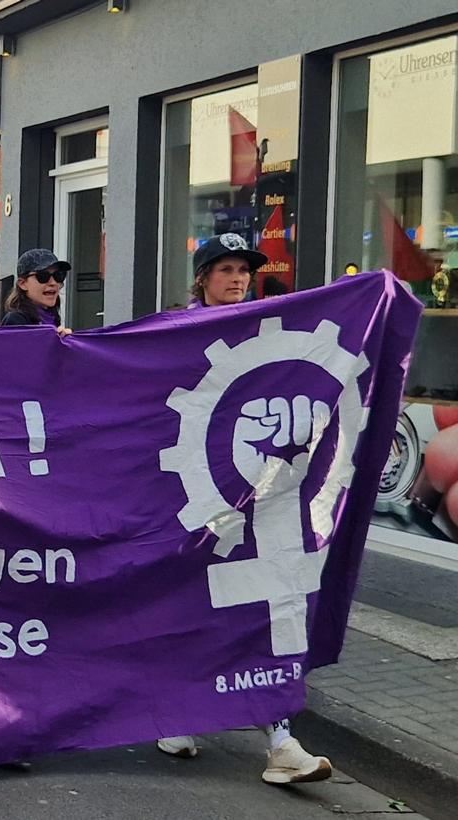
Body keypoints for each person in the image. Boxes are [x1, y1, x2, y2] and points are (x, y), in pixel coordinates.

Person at [157, 232, 332, 785]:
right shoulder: (178, 331)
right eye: (226, 269)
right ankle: (181, 713)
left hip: (261, 501)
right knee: (195, 610)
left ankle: (281, 741)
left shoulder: (266, 330)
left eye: (244, 271)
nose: (237, 279)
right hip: (197, 499)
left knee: (264, 615)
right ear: (203, 277)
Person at [1, 249, 71, 328]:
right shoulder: (16, 320)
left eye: (58, 275)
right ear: (22, 284)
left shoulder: (51, 317)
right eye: (43, 276)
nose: (53, 283)